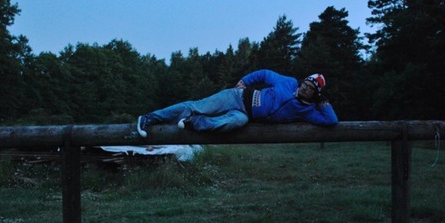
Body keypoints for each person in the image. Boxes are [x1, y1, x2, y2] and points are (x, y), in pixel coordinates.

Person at [136, 69, 338, 138]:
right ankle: (148, 118)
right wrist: (245, 81)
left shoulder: (307, 111)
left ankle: (193, 122)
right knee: (197, 105)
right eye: (305, 84)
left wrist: (323, 102)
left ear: (315, 94)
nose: (305, 88)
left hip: (246, 115)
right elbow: (264, 74)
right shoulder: (289, 82)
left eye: (310, 88)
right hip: (237, 97)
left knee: (233, 123)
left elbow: (331, 120)